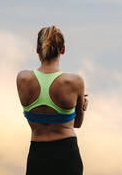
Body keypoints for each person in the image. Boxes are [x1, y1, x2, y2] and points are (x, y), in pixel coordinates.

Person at [16, 25, 88, 175]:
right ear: (63, 50)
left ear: (37, 48)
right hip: (67, 154)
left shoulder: (23, 79)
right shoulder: (74, 82)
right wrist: (81, 107)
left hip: (37, 154)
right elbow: (77, 124)